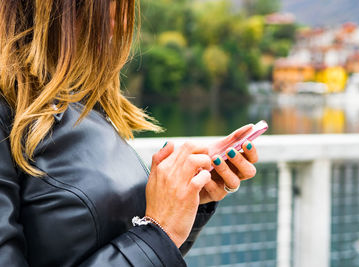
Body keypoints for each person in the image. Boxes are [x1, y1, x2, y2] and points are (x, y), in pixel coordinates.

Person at [0, 1, 259, 266]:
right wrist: (159, 232)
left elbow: (118, 242)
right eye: (109, 5)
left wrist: (185, 203)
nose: (122, 23)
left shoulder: (86, 104)